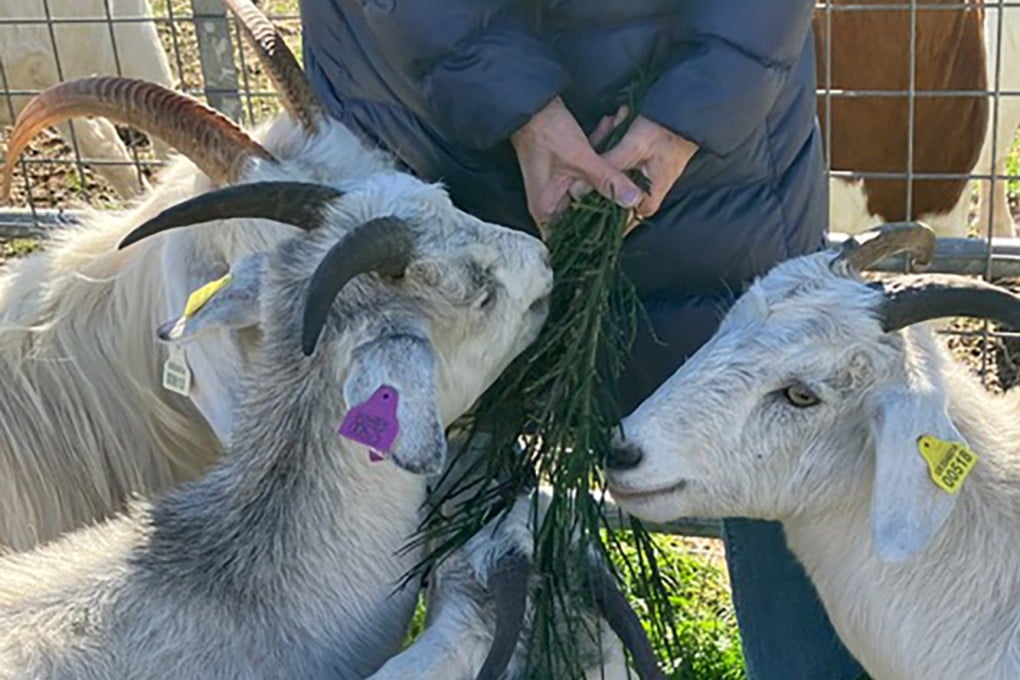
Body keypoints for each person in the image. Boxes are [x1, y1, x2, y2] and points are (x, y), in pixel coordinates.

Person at [298, 1, 865, 678]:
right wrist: (527, 100)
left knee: (775, 422)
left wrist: (700, 102)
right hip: (439, 112)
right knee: (430, 450)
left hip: (679, 143)